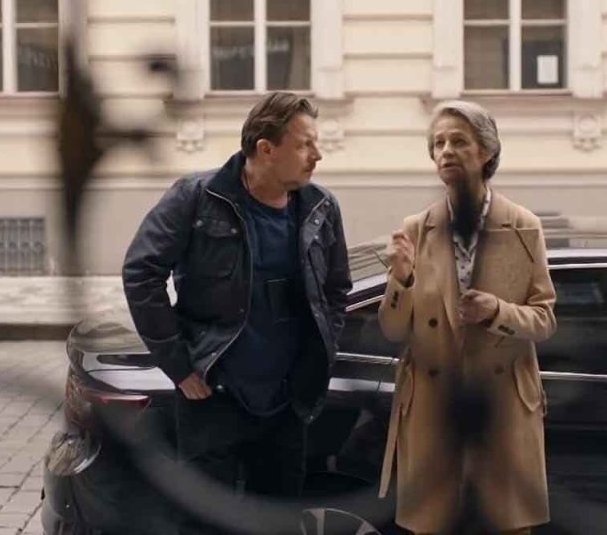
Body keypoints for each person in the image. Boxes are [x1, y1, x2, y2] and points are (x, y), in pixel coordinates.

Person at [122, 92, 352, 533]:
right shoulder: (197, 197)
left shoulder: (320, 208)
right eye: (305, 144)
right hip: (214, 398)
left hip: (286, 405)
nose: (317, 155)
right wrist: (179, 366)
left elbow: (336, 289)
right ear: (266, 149)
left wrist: (318, 354)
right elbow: (141, 271)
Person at [377, 100, 557, 535]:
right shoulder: (417, 228)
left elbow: (544, 320)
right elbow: (393, 329)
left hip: (502, 409)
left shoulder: (523, 226)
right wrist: (401, 279)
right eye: (438, 143)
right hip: (433, 412)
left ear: (487, 151)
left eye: (459, 141)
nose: (446, 151)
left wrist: (496, 311)